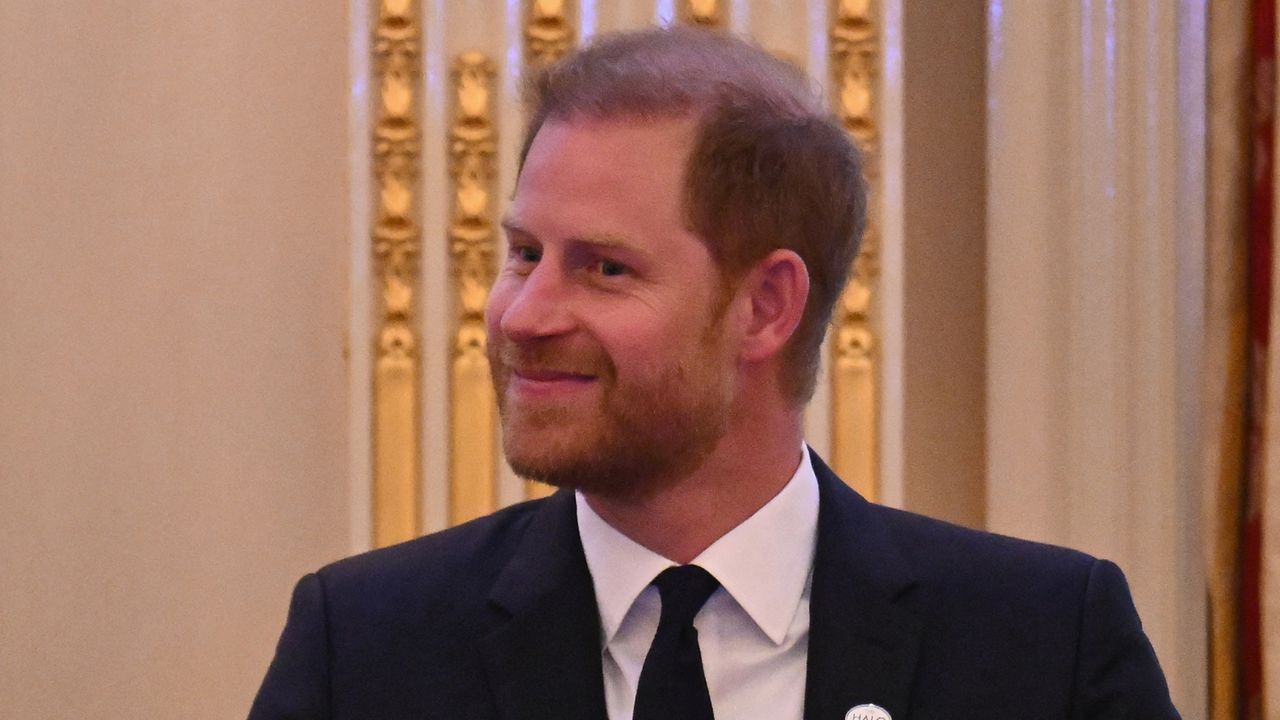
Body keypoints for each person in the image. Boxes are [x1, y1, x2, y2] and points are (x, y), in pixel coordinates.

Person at [249, 27, 1179, 720]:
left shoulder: (1044, 649)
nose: (523, 316)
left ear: (766, 306)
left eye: (604, 268)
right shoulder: (366, 650)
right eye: (525, 253)